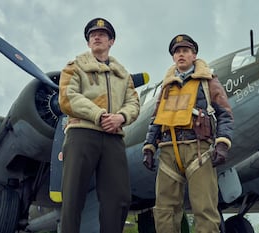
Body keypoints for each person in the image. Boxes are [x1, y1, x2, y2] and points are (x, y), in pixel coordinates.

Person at [142, 34, 234, 233]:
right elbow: (156, 119)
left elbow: (225, 114)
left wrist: (222, 142)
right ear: (173, 58)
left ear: (194, 55)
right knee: (164, 210)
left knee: (205, 208)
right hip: (168, 150)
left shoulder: (209, 81)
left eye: (185, 51)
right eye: (177, 52)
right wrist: (149, 147)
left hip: (198, 149)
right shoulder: (166, 86)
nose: (181, 54)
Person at [58, 17, 140, 233]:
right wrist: (99, 115)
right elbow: (67, 96)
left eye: (102, 34)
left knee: (120, 198)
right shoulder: (74, 66)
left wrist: (121, 117)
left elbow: (133, 102)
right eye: (92, 35)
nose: (96, 37)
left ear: (111, 41)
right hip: (82, 134)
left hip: (114, 137)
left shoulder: (123, 75)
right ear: (88, 42)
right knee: (73, 195)